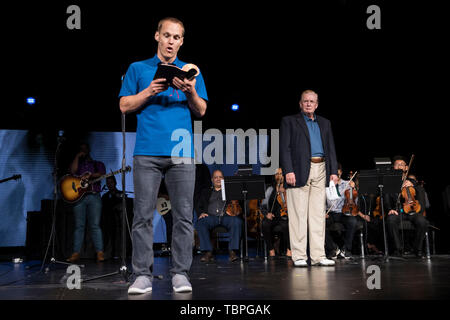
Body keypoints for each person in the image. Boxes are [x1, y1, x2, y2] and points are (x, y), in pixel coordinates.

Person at [119, 17, 208, 294]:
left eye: (177, 37)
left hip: (181, 153)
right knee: (143, 216)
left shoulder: (190, 70)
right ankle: (142, 275)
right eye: (167, 35)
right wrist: (149, 91)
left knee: (183, 216)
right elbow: (123, 105)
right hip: (147, 151)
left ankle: (180, 273)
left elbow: (201, 110)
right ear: (157, 36)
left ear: (182, 41)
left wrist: (191, 91)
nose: (171, 41)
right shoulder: (138, 68)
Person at [280, 89, 338, 267]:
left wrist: (333, 171)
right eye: (305, 101)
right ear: (300, 103)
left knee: (318, 215)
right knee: (298, 215)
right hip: (298, 170)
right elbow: (284, 148)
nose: (308, 104)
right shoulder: (289, 121)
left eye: (312, 101)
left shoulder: (325, 122)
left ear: (317, 104)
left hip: (321, 168)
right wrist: (288, 170)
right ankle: (299, 256)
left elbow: (330, 148)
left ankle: (318, 255)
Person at [66, 142, 106, 263]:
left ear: (89, 150)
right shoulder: (78, 164)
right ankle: (76, 253)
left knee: (95, 225)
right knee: (79, 226)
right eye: (80, 149)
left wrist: (91, 175)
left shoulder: (97, 163)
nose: (83, 150)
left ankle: (100, 252)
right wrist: (77, 156)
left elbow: (102, 173)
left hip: (94, 196)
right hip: (79, 198)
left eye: (84, 149)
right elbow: (72, 171)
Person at [385, 156, 429, 257]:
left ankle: (417, 250)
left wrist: (413, 185)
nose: (399, 166)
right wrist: (390, 209)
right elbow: (386, 199)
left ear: (406, 168)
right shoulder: (389, 184)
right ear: (394, 168)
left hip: (413, 211)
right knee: (391, 220)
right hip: (398, 211)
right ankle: (398, 249)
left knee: (422, 221)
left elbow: (420, 195)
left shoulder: (413, 183)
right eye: (397, 164)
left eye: (402, 164)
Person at [195, 170, 243, 262]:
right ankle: (208, 252)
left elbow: (238, 204)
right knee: (201, 222)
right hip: (211, 217)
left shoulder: (230, 191)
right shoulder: (206, 192)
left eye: (220, 177)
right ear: (212, 180)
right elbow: (199, 205)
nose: (218, 179)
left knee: (237, 221)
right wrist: (201, 213)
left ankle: (232, 251)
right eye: (216, 177)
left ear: (223, 179)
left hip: (226, 217)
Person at [325, 164, 370, 259]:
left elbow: (354, 203)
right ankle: (333, 248)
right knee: (319, 224)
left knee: (352, 221)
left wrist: (354, 189)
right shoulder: (325, 185)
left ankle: (346, 249)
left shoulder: (347, 183)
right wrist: (323, 213)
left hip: (343, 212)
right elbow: (321, 201)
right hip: (330, 213)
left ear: (340, 172)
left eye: (336, 172)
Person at [260, 168, 291, 258]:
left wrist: (284, 193)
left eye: (281, 174)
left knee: (287, 225)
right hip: (273, 216)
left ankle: (289, 249)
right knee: (265, 223)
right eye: (277, 174)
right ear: (274, 176)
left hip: (285, 216)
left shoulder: (288, 188)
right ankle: (271, 249)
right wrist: (267, 214)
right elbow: (263, 205)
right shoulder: (270, 189)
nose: (279, 176)